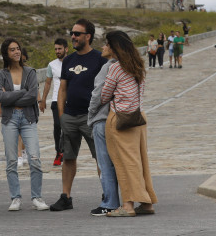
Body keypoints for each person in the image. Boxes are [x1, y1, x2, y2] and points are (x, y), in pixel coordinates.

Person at [49, 19, 106, 212]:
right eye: (72, 33)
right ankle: (65, 197)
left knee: (101, 157)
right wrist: (62, 115)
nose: (72, 36)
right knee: (68, 157)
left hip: (92, 118)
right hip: (70, 117)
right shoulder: (69, 60)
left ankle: (107, 195)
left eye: (77, 33)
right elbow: (62, 89)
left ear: (88, 36)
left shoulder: (99, 59)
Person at [100, 31, 157, 217]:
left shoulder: (115, 68)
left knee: (124, 163)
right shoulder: (138, 65)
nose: (104, 47)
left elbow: (104, 95)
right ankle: (146, 203)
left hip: (121, 119)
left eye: (107, 43)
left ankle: (128, 206)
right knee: (140, 161)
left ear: (115, 47)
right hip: (139, 117)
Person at [0, 38, 48, 211]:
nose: (17, 52)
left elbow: (33, 96)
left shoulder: (30, 72)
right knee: (11, 160)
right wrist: (21, 93)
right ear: (6, 53)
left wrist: (11, 96)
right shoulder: (1, 75)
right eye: (12, 49)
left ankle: (37, 197)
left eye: (18, 48)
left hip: (28, 118)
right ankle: (15, 197)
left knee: (35, 158)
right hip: (9, 119)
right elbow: (0, 98)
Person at [86, 42, 119, 216]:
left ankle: (109, 202)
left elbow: (97, 94)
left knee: (104, 163)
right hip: (116, 119)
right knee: (116, 163)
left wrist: (91, 113)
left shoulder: (108, 67)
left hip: (101, 119)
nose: (104, 47)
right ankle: (119, 199)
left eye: (107, 44)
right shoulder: (124, 66)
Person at [39, 38, 68, 166]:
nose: (57, 51)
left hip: (71, 100)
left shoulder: (73, 62)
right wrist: (43, 99)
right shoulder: (52, 65)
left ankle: (66, 151)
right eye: (55, 49)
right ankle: (59, 151)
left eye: (59, 49)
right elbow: (48, 82)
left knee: (68, 127)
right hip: (56, 100)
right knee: (57, 125)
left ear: (66, 49)